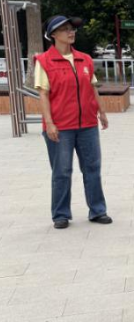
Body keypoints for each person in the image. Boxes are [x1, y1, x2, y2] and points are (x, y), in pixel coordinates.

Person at [35, 15, 112, 229]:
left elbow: (93, 88)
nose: (71, 32)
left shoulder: (84, 59)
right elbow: (43, 95)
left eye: (72, 29)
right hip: (60, 127)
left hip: (87, 125)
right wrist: (49, 123)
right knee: (62, 171)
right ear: (53, 35)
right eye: (65, 29)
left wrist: (102, 112)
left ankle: (98, 211)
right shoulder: (44, 61)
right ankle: (60, 214)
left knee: (92, 168)